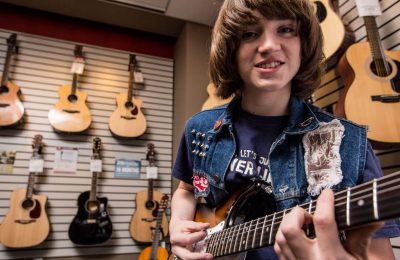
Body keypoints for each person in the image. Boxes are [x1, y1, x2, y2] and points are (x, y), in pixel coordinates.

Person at [169, 0, 400, 259]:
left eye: (286, 30)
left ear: (304, 45)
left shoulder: (348, 142)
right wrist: (176, 225)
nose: (269, 45)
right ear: (231, 49)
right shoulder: (199, 129)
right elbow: (186, 190)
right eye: (249, 33)